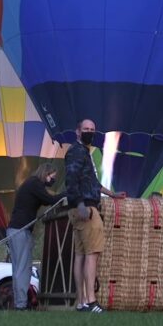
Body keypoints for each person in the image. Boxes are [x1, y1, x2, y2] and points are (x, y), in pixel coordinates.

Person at [64, 118, 124, 313]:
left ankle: (81, 302)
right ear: (77, 132)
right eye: (86, 129)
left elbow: (93, 183)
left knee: (81, 255)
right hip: (87, 209)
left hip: (81, 208)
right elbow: (71, 179)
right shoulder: (76, 151)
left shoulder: (84, 153)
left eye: (92, 129)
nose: (89, 132)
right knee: (93, 254)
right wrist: (81, 203)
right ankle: (91, 301)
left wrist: (112, 194)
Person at [7, 163, 63, 311]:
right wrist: (67, 194)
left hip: (15, 229)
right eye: (53, 177)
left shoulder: (31, 184)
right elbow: (50, 200)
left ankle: (19, 301)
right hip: (21, 230)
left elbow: (45, 200)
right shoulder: (35, 184)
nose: (53, 180)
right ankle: (21, 304)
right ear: (46, 173)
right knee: (23, 269)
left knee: (18, 268)